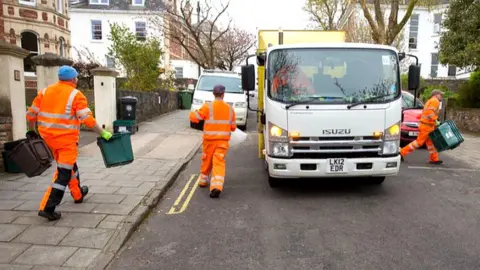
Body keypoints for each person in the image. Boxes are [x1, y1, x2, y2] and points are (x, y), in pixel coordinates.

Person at [26, 65, 113, 221]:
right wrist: (103, 133)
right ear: (73, 79)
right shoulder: (76, 95)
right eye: (76, 78)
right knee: (63, 174)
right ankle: (48, 207)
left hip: (47, 140)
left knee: (69, 166)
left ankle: (78, 194)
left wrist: (32, 131)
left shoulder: (45, 92)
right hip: (66, 141)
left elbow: (31, 114)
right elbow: (88, 120)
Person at [189, 84, 236, 198]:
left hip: (209, 141)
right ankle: (216, 187)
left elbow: (194, 118)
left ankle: (203, 181)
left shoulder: (207, 107)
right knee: (219, 162)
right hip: (223, 142)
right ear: (223, 94)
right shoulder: (230, 109)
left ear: (213, 94)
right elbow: (233, 127)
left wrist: (193, 112)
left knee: (207, 160)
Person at [400, 89, 444, 164]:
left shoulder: (430, 101)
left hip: (427, 125)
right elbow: (430, 113)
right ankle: (401, 152)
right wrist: (436, 121)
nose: (441, 96)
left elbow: (428, 112)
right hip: (427, 126)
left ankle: (434, 159)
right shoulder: (435, 101)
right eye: (440, 94)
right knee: (419, 142)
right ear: (436, 94)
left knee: (431, 143)